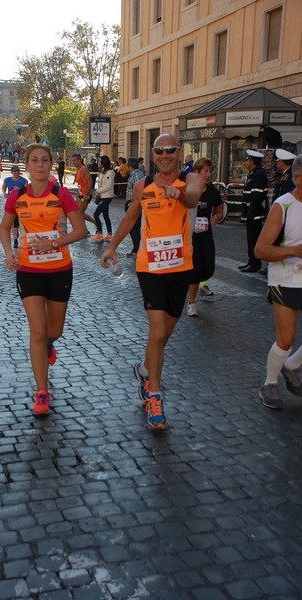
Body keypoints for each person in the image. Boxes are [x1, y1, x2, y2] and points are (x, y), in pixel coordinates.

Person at [100, 134, 203, 429]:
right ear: (153, 154)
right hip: (151, 267)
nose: (165, 154)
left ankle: (145, 369)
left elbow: (194, 196)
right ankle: (154, 397)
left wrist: (178, 195)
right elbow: (131, 218)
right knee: (157, 332)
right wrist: (111, 246)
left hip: (181, 267)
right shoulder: (142, 186)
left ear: (178, 152)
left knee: (166, 333)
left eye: (170, 150)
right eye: (159, 150)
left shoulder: (190, 177)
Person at [0, 143, 87, 415]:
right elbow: (4, 228)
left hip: (59, 268)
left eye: (44, 160)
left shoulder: (62, 194)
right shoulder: (17, 195)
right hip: (28, 269)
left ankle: (48, 345)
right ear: (27, 165)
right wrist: (8, 253)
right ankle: (41, 392)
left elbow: (81, 230)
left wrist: (56, 243)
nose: (39, 164)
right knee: (37, 331)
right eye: (34, 160)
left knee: (54, 331)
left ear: (51, 164)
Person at [255, 154, 302, 410]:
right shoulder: (282, 206)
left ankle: (292, 365)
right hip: (285, 280)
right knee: (287, 338)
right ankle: (269, 384)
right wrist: (294, 251)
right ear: (297, 178)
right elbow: (260, 250)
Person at [186, 157, 223, 317]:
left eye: (210, 171)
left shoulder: (213, 192)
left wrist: (216, 217)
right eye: (205, 171)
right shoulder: (188, 189)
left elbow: (219, 211)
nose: (208, 175)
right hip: (191, 236)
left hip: (206, 235)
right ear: (197, 171)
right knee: (194, 270)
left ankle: (199, 282)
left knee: (208, 268)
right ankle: (192, 303)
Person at [238, 149, 268, 273]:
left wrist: (251, 213)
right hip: (250, 213)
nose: (247, 163)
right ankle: (251, 261)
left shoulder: (259, 175)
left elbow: (257, 196)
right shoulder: (254, 174)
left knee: (254, 239)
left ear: (252, 161)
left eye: (248, 160)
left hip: (254, 214)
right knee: (250, 239)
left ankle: (255, 263)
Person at [2, 166, 28, 248]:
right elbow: (4, 186)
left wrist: (20, 190)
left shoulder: (23, 181)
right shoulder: (7, 180)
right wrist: (4, 192)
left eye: (17, 171)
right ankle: (15, 240)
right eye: (15, 171)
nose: (16, 173)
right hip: (11, 203)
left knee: (22, 221)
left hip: (22, 203)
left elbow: (28, 190)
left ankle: (23, 238)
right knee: (14, 223)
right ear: (12, 172)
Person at [92, 155, 115, 242]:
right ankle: (109, 234)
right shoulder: (103, 171)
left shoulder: (109, 172)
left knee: (96, 214)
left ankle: (99, 232)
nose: (98, 162)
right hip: (103, 196)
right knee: (106, 215)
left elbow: (108, 186)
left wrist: (98, 191)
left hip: (107, 196)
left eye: (99, 161)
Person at [124, 157, 144, 256]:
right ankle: (138, 247)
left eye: (127, 165)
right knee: (136, 226)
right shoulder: (138, 174)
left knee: (133, 226)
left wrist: (132, 204)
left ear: (130, 166)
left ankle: (137, 249)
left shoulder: (136, 176)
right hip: (134, 203)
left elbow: (139, 191)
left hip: (133, 204)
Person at [71, 154, 96, 230]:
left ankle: (96, 223)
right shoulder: (78, 169)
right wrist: (78, 195)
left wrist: (86, 194)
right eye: (72, 160)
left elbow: (90, 182)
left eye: (74, 160)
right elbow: (80, 184)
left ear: (79, 160)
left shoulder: (83, 169)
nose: (73, 162)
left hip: (85, 194)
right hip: (81, 194)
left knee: (80, 213)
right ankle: (84, 229)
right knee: (78, 212)